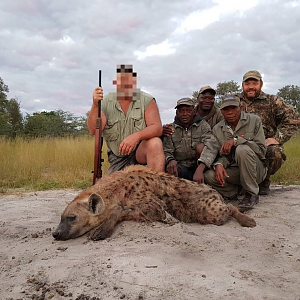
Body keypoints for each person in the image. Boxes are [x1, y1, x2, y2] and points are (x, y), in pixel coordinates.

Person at [87, 64, 165, 174]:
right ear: (116, 83)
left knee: (155, 143)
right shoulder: (105, 101)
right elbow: (93, 130)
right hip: (117, 157)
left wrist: (136, 136)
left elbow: (157, 128)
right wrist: (95, 105)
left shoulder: (147, 99)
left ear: (134, 82)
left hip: (140, 154)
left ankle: (156, 186)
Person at [239, 70, 300, 195]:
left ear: (261, 84)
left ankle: (263, 181)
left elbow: (294, 118)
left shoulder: (272, 101)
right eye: (247, 83)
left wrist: (278, 138)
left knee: (276, 152)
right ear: (242, 85)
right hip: (240, 143)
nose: (251, 87)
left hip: (263, 144)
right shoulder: (235, 101)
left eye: (254, 83)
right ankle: (240, 183)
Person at [204, 95, 267, 209]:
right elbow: (221, 155)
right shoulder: (217, 129)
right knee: (209, 176)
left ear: (241, 108)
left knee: (242, 150)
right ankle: (235, 193)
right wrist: (219, 164)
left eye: (233, 108)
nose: (230, 112)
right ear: (221, 111)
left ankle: (251, 193)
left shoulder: (254, 120)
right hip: (235, 170)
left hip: (255, 170)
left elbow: (261, 150)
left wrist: (237, 141)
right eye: (226, 109)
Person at [163, 97, 219, 183]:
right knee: (170, 171)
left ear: (194, 112)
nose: (185, 114)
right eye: (181, 111)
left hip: (199, 165)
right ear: (177, 113)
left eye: (188, 111)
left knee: (201, 147)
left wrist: (200, 169)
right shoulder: (170, 128)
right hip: (181, 166)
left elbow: (212, 146)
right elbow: (166, 149)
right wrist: (170, 160)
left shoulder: (203, 125)